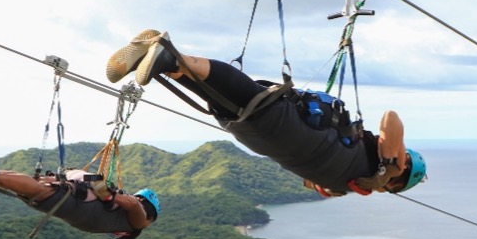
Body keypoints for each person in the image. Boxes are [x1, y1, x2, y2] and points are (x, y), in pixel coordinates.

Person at [105, 29, 427, 197]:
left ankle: (165, 58)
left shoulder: (373, 174)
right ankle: (165, 59)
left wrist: (379, 169)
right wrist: (385, 168)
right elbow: (389, 120)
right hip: (275, 138)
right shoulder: (372, 174)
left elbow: (388, 121)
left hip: (288, 134)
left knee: (235, 98)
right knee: (235, 102)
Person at [0, 158, 160, 239]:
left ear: (148, 216)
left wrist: (111, 196)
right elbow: (130, 204)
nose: (135, 200)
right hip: (82, 211)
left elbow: (132, 205)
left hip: (83, 207)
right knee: (39, 190)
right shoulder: (125, 221)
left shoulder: (139, 221)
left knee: (41, 191)